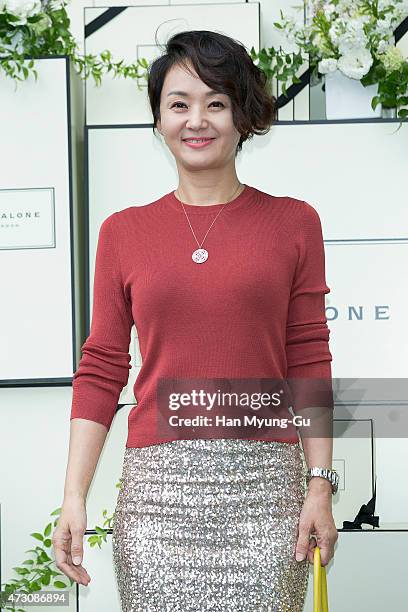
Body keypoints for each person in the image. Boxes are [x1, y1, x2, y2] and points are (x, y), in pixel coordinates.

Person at [52, 29, 338, 612]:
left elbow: (309, 357)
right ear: (159, 119)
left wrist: (320, 485)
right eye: (179, 104)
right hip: (157, 495)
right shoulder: (123, 232)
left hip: (267, 493)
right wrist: (74, 497)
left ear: (242, 116)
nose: (197, 120)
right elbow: (103, 368)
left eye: (216, 103)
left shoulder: (294, 223)